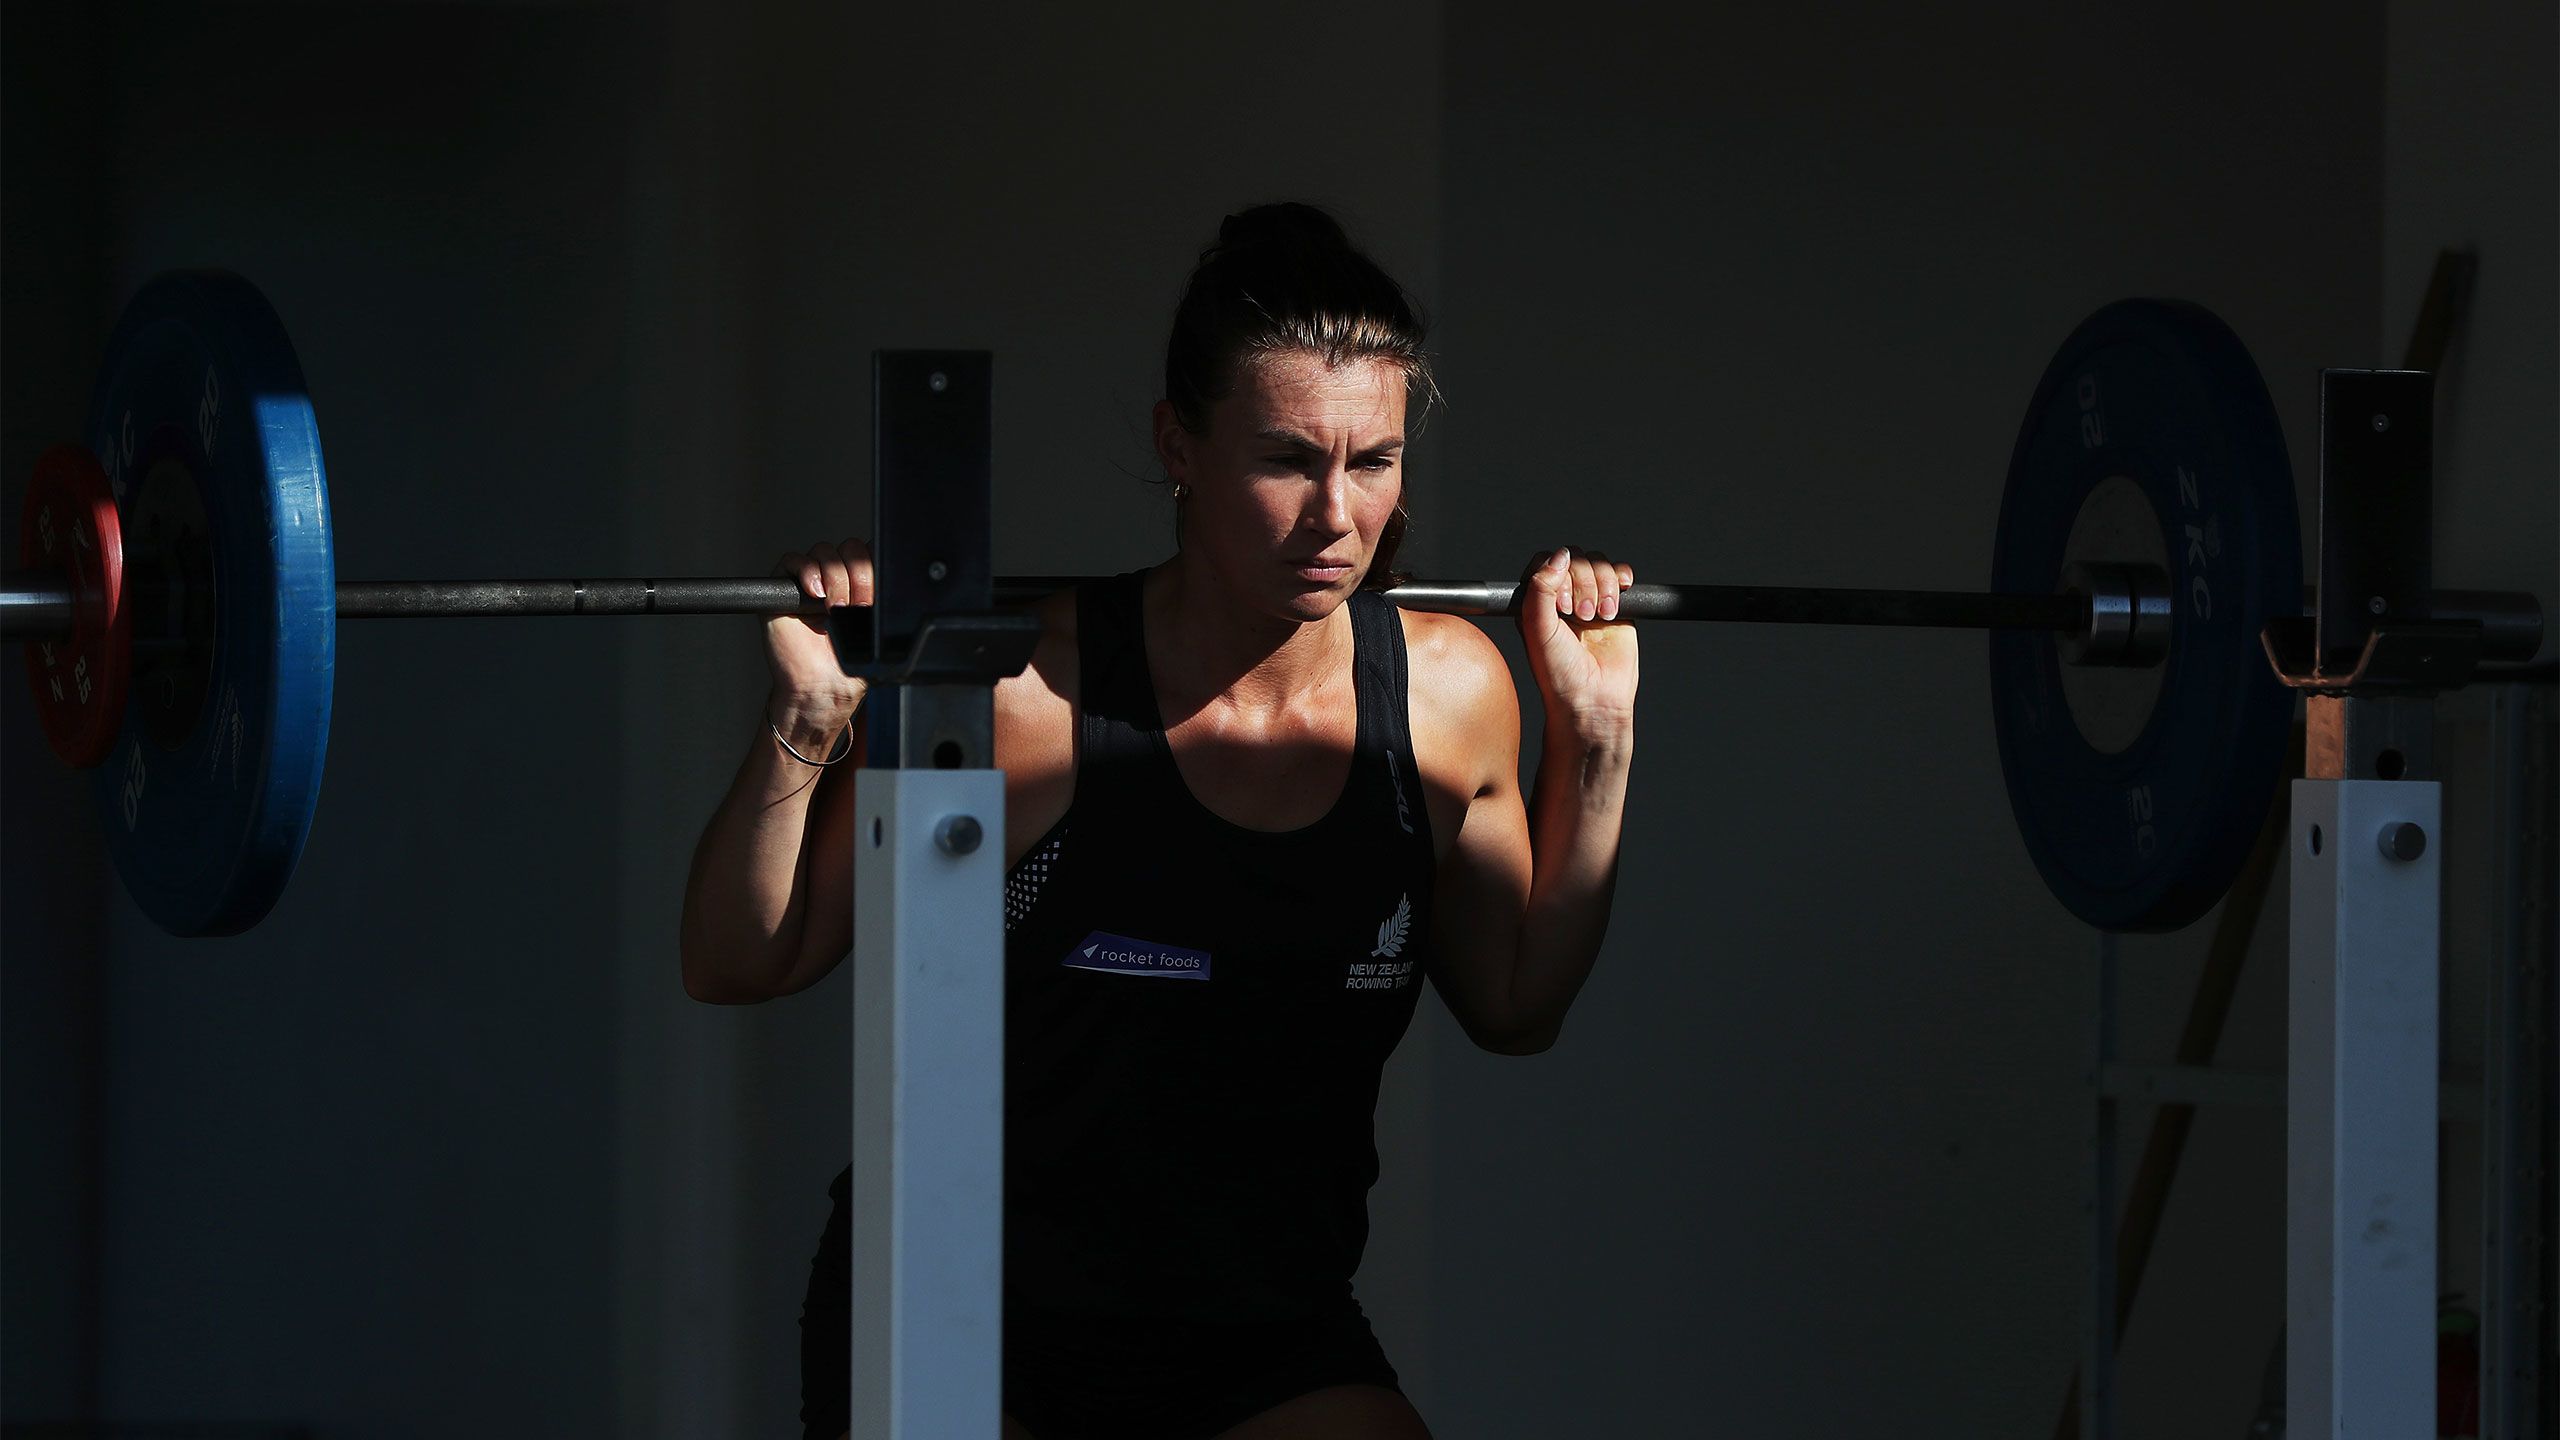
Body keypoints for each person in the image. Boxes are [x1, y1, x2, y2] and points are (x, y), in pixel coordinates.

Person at [678, 202, 1639, 1440]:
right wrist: (807, 722)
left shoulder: (1448, 694)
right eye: (1286, 460)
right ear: (1177, 444)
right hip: (970, 1318)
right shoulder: (1024, 693)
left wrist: (1597, 746)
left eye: (1373, 462)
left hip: (1265, 1329)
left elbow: (1513, 1007)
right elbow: (740, 960)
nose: (1334, 516)